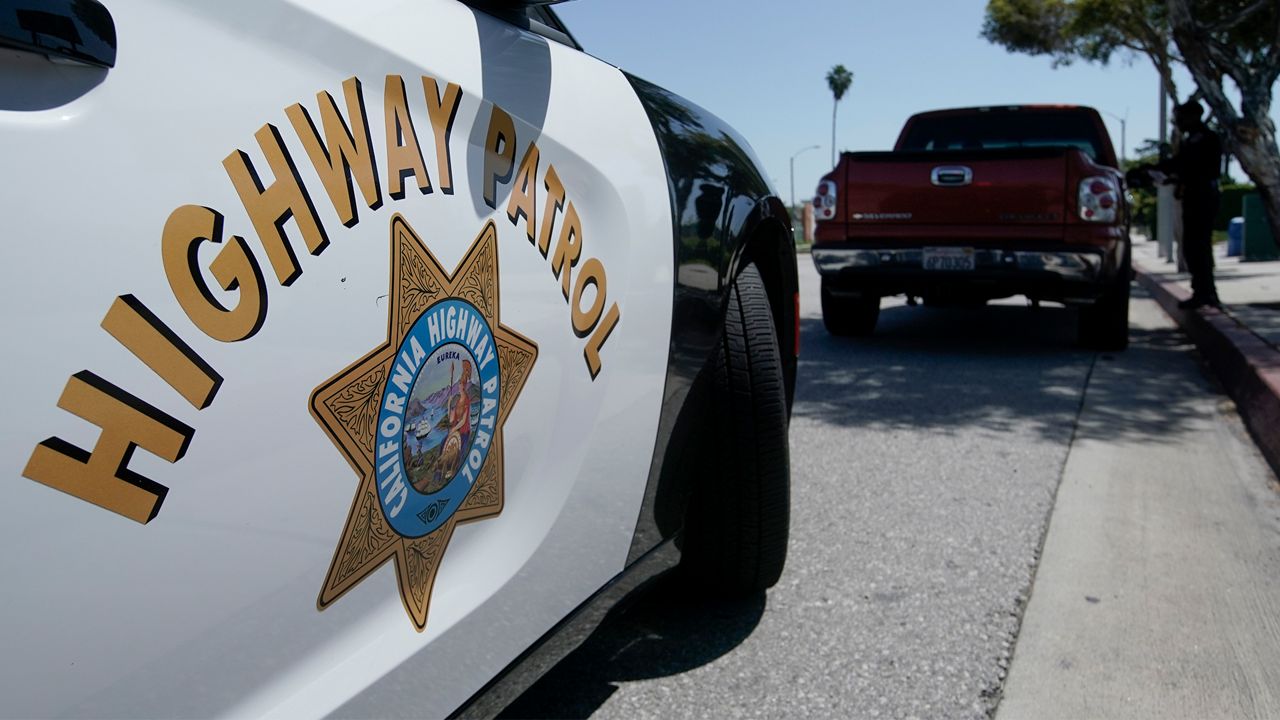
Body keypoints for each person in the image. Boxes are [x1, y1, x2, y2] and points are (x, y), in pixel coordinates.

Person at [1161, 100, 1224, 309]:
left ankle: (1207, 292)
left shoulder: (1206, 139)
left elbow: (1195, 167)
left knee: (1199, 245)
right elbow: (1179, 165)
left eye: (1180, 117)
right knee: (1192, 245)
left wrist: (1177, 173)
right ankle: (1202, 290)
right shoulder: (1191, 140)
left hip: (1203, 196)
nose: (1178, 122)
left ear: (1193, 116)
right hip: (1194, 196)